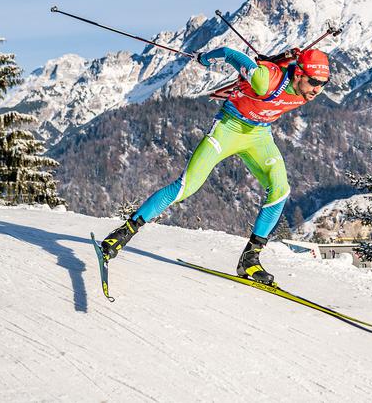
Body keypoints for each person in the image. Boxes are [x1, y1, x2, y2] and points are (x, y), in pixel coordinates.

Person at [100, 46, 331, 285]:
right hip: (227, 129)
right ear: (299, 75)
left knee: (280, 190)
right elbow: (231, 54)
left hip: (259, 136)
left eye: (324, 84)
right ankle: (122, 233)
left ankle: (249, 261)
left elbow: (287, 66)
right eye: (314, 82)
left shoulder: (304, 88)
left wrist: (287, 57)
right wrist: (205, 58)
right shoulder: (266, 80)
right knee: (186, 187)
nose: (318, 89)